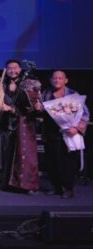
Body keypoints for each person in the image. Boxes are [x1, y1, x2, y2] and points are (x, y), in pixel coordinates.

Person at [38, 70, 89, 199]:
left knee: (66, 162)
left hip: (67, 133)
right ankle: (56, 187)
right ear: (50, 80)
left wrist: (77, 128)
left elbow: (85, 114)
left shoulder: (73, 94)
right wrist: (39, 109)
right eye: (54, 78)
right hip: (50, 131)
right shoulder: (46, 93)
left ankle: (68, 188)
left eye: (60, 78)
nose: (57, 80)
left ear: (66, 80)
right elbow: (41, 111)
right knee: (51, 161)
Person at [3, 59, 40, 194]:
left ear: (20, 69)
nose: (12, 70)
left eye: (15, 68)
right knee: (7, 153)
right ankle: (7, 184)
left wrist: (15, 92)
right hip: (5, 123)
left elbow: (32, 106)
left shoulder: (28, 83)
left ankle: (26, 185)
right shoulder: (2, 83)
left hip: (24, 123)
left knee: (24, 154)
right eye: (9, 68)